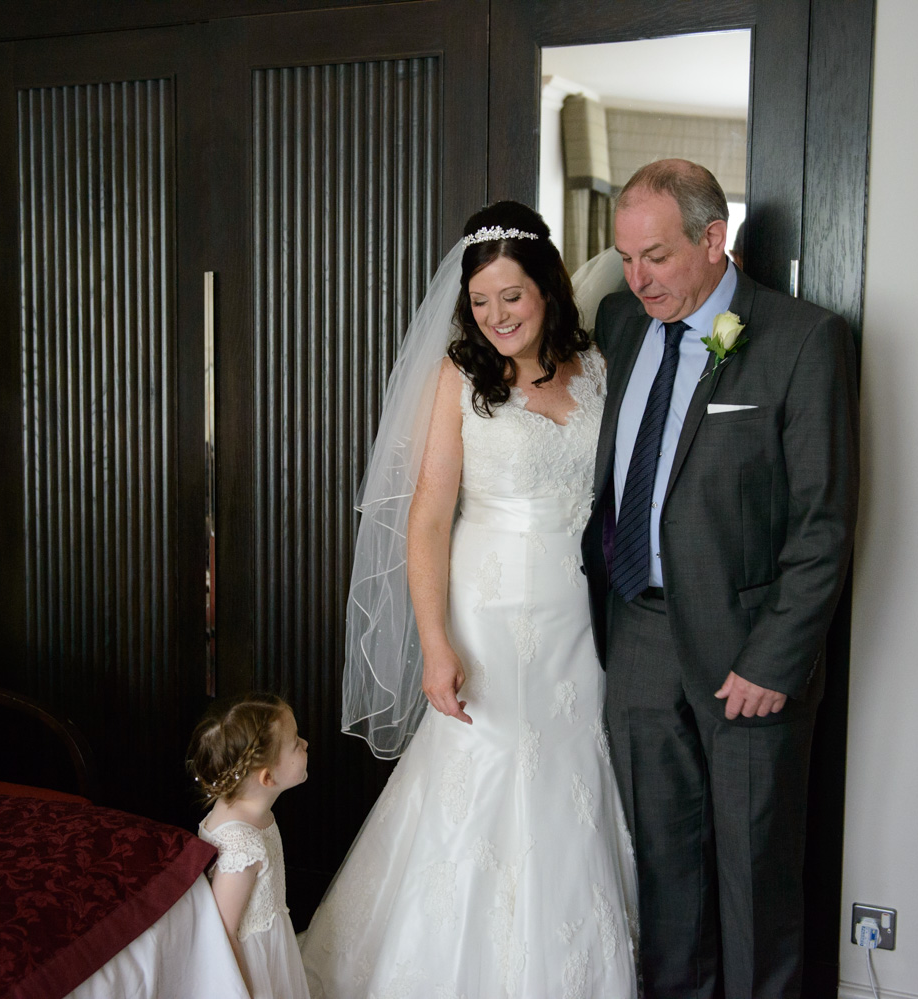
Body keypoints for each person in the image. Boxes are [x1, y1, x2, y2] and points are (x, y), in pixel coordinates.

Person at [301, 202, 639, 997]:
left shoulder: (597, 365)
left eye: (512, 297)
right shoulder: (459, 374)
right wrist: (435, 642)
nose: (496, 316)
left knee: (571, 772)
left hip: (580, 617)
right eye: (481, 301)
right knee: (484, 773)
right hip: (488, 616)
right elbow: (427, 515)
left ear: (548, 288)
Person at [580, 159, 859, 998]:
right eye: (626, 258)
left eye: (656, 257)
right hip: (637, 634)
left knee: (755, 880)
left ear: (713, 239)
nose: (637, 279)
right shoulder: (619, 323)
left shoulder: (803, 339)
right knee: (664, 877)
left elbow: (823, 524)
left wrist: (776, 659)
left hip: (748, 654)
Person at [188, 693, 311, 999]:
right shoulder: (241, 847)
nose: (306, 744)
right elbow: (224, 931)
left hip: (271, 939)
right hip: (250, 962)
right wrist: (245, 991)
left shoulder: (249, 806)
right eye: (295, 743)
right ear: (267, 778)